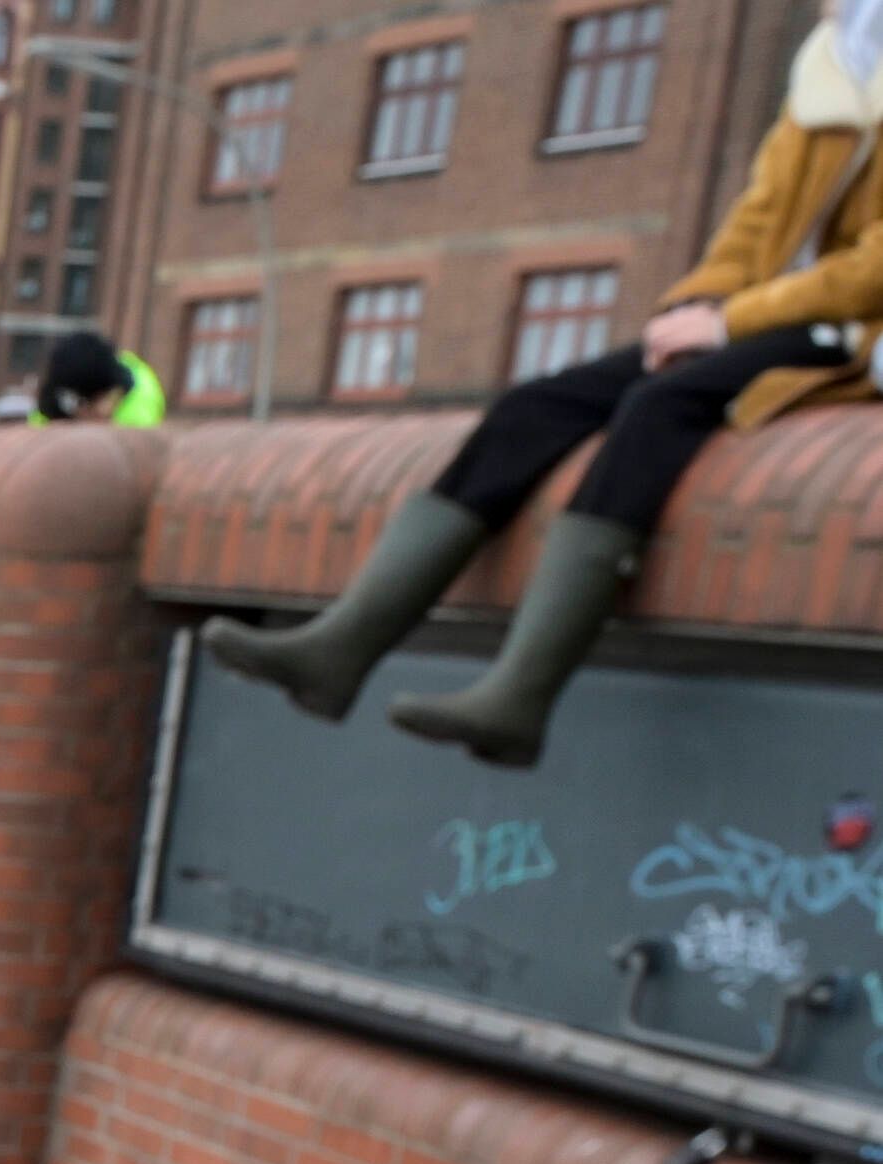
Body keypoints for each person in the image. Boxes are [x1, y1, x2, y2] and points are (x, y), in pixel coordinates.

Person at [207, 0, 883, 767]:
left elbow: (871, 270)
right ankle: (340, 647)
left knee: (658, 407)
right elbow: (756, 219)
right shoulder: (834, 65)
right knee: (537, 406)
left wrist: (736, 320)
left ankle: (520, 696)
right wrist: (700, 303)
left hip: (857, 335)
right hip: (757, 318)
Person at [32, 330, 166, 427]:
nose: (85, 415)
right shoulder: (58, 394)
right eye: (77, 405)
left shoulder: (139, 412)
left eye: (91, 407)